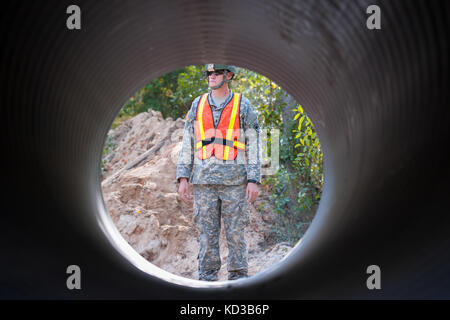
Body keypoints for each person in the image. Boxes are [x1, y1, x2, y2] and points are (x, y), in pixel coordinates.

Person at [176, 64, 262, 281]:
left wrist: (253, 179)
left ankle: (239, 279)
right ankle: (207, 279)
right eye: (208, 73)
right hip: (203, 182)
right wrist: (183, 177)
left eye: (216, 73)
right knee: (206, 234)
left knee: (235, 234)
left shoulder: (243, 105)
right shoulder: (198, 104)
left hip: (235, 182)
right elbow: (188, 142)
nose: (211, 77)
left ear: (228, 75)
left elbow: (254, 143)